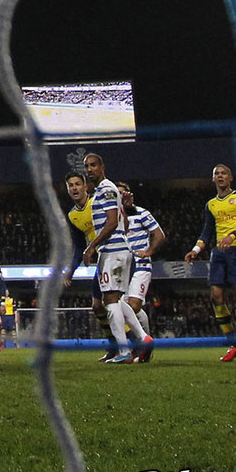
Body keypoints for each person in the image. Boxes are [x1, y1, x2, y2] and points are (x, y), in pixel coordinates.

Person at [185, 164, 236, 362]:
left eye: (223, 173)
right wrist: (195, 250)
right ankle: (233, 345)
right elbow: (207, 232)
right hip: (219, 253)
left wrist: (233, 235)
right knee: (216, 296)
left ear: (230, 178)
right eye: (216, 174)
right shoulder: (210, 204)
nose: (220, 176)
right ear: (213, 179)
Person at [82, 154, 153, 364]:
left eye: (93, 165)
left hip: (112, 251)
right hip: (122, 250)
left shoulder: (106, 189)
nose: (89, 169)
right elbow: (124, 223)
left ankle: (123, 352)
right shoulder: (107, 191)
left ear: (102, 167)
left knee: (109, 301)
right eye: (87, 166)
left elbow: (112, 222)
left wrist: (92, 246)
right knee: (118, 300)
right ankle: (143, 337)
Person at [62, 171, 115, 361]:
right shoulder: (72, 216)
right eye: (71, 185)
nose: (75, 188)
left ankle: (133, 343)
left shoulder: (98, 202)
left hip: (115, 254)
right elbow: (78, 247)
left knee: (115, 304)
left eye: (78, 184)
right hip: (101, 259)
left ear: (86, 186)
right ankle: (115, 345)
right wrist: (71, 270)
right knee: (97, 305)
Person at [118, 181, 165, 361]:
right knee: (126, 310)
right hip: (121, 267)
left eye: (124, 192)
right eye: (118, 193)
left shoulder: (142, 213)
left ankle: (141, 345)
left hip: (140, 265)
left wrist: (149, 251)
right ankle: (145, 343)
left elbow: (159, 234)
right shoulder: (113, 216)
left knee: (134, 305)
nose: (122, 196)